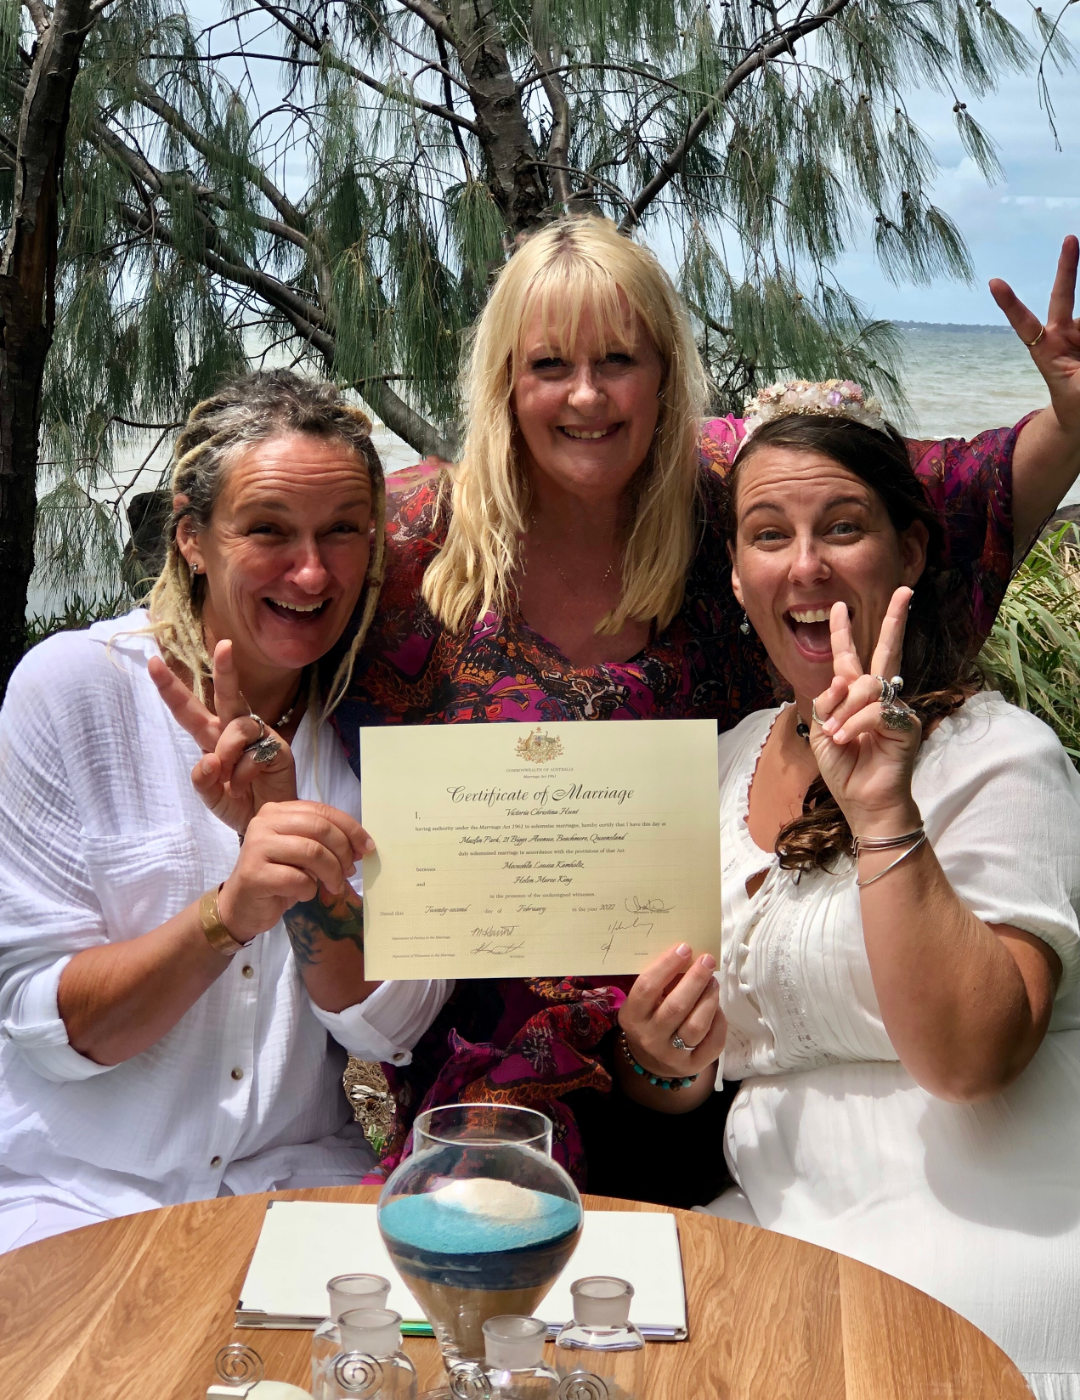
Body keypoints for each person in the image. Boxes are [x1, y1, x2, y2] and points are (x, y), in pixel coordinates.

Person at [329, 215, 1080, 1206]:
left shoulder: (730, 489)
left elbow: (929, 504)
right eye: (550, 364)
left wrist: (1070, 423)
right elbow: (277, 590)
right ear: (505, 379)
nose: (588, 394)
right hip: (483, 1068)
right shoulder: (412, 541)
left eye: (619, 360)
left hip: (713, 1049)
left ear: (665, 373)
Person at [616, 382, 1080, 1395]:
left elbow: (973, 1057)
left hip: (992, 1239)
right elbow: (696, 1071)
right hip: (784, 1230)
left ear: (909, 552)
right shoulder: (718, 769)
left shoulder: (999, 756)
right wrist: (661, 1060)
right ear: (736, 575)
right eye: (768, 534)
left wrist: (882, 814)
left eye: (842, 527)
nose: (806, 565)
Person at [0, 371, 449, 1252]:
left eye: (342, 531)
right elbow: (47, 1026)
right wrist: (229, 913)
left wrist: (301, 880)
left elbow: (393, 1029)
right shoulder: (72, 691)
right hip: (77, 1197)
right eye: (269, 530)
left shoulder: (384, 728)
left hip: (297, 1189)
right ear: (192, 537)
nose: (311, 571)